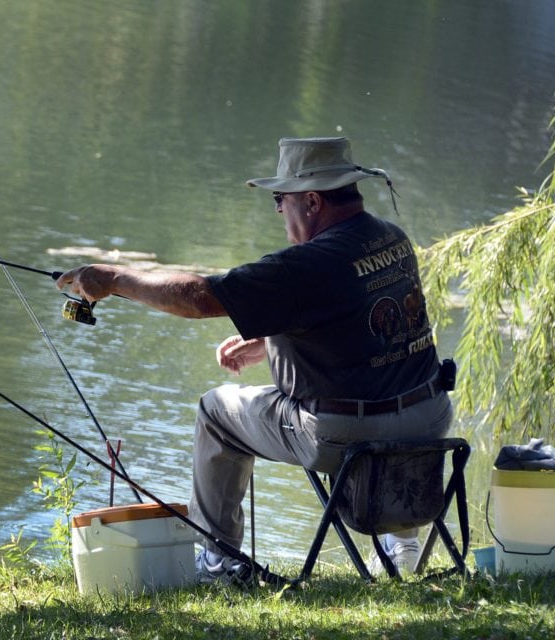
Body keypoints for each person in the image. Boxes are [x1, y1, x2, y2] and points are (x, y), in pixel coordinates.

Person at [55, 137, 453, 583]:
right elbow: (372, 326)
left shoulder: (306, 265)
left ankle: (218, 558)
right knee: (389, 383)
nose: (279, 210)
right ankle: (402, 542)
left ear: (313, 201)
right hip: (429, 421)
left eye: (280, 199)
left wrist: (112, 278)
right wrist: (268, 342)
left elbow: (199, 298)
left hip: (345, 434)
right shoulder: (391, 239)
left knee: (216, 410)